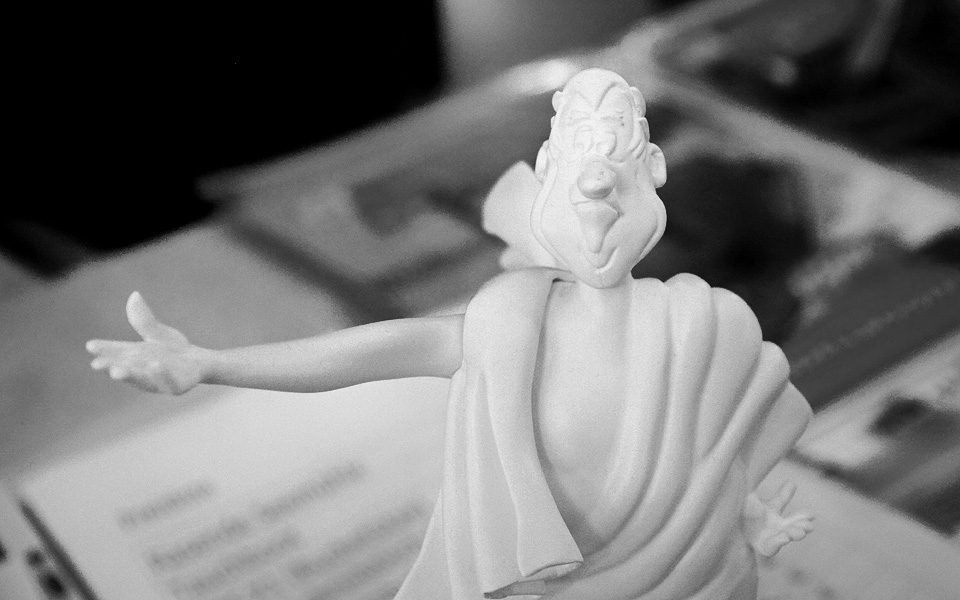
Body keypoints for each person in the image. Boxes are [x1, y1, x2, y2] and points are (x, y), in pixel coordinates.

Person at [88, 69, 812, 600]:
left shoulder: (704, 322)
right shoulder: (509, 323)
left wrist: (748, 515)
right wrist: (211, 363)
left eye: (621, 176)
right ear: (548, 178)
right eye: (578, 182)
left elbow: (714, 459)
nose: (598, 203)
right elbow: (373, 351)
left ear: (654, 176)